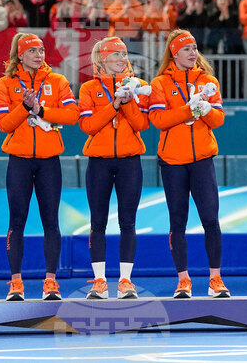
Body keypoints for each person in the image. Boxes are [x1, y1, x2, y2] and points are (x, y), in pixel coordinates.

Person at [0, 33, 79, 300]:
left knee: (51, 222)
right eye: (32, 51)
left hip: (49, 161)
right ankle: (16, 284)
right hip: (19, 160)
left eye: (41, 50)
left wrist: (41, 111)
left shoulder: (57, 81)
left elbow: (72, 115)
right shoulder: (6, 83)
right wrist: (24, 106)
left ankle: (51, 283)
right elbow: (3, 125)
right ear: (20, 55)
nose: (39, 55)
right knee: (16, 221)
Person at [148, 29, 229, 299]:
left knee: (211, 220)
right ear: (174, 52)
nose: (193, 52)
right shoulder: (160, 83)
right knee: (178, 222)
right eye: (187, 48)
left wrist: (205, 109)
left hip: (202, 160)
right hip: (172, 163)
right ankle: (183, 281)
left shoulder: (208, 81)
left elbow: (218, 120)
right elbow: (159, 121)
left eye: (194, 47)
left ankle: (216, 280)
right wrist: (189, 108)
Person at [77, 37, 148, 300]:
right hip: (99, 162)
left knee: (128, 222)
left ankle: (126, 282)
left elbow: (141, 125)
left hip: (130, 160)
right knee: (98, 223)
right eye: (117, 54)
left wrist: (128, 101)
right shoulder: (88, 88)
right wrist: (114, 104)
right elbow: (89, 126)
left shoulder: (137, 87)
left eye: (124, 54)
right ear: (102, 58)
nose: (122, 58)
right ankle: (99, 282)